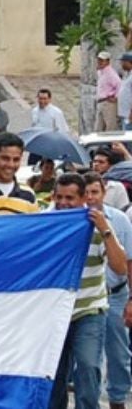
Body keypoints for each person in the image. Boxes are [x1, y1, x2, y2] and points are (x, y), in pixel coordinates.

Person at [49, 173, 127, 409]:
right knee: (54, 373)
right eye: (59, 197)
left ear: (83, 198)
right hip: (53, 312)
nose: (63, 203)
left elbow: (120, 266)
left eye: (70, 198)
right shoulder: (44, 222)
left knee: (88, 366)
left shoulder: (98, 224)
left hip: (89, 310)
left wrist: (104, 229)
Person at [82, 172, 132, 409]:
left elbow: (128, 263)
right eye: (86, 193)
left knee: (119, 355)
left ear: (103, 193)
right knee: (89, 359)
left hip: (116, 294)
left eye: (95, 192)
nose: (91, 198)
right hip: (89, 299)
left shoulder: (120, 219)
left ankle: (118, 399)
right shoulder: (76, 220)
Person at [96, 51, 122, 132]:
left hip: (108, 103)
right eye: (99, 60)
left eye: (102, 60)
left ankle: (111, 144)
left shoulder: (111, 73)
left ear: (107, 61)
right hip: (101, 102)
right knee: (98, 128)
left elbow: (119, 85)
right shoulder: (101, 72)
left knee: (110, 128)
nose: (100, 62)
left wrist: (116, 97)